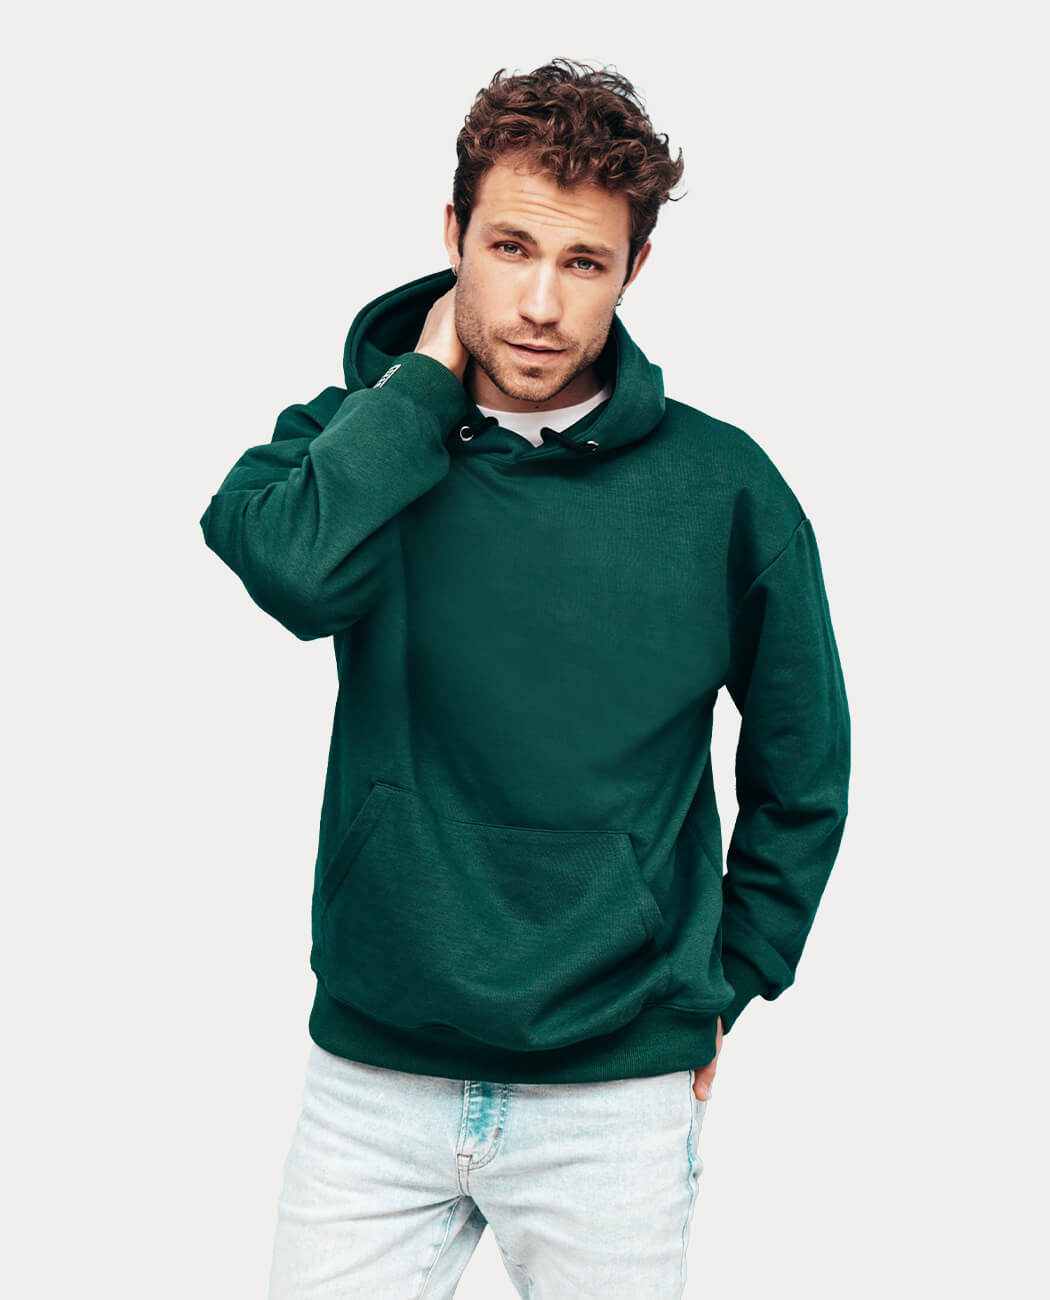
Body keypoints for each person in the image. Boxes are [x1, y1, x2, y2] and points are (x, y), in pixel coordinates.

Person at [199, 56, 851, 1300]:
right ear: (451, 235)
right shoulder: (352, 446)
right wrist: (420, 387)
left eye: (584, 262)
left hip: (614, 1092)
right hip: (373, 1078)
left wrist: (733, 977)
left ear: (635, 269)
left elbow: (804, 764)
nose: (541, 302)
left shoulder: (724, 488)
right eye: (509, 248)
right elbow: (293, 572)